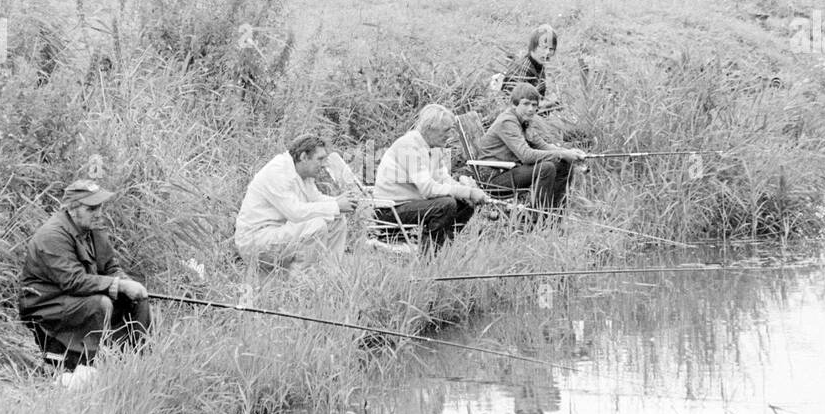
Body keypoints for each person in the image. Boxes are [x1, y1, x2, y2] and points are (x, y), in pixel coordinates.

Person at [19, 179, 151, 379]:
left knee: (138, 299)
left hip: (76, 297)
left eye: (99, 206)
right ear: (72, 209)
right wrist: (118, 285)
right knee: (101, 304)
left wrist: (128, 284)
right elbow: (73, 281)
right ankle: (88, 365)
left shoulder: (93, 230)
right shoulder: (52, 235)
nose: (98, 213)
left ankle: (142, 362)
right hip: (46, 305)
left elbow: (110, 267)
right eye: (91, 208)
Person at [373, 104, 488, 250]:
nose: (449, 135)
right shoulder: (409, 146)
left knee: (466, 203)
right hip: (390, 209)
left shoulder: (434, 147)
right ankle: (429, 253)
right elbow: (427, 189)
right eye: (446, 130)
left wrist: (466, 191)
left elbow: (443, 179)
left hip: (410, 203)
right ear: (430, 128)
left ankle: (444, 246)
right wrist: (468, 192)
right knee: (447, 204)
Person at [235, 134, 356, 270]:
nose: (323, 165)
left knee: (337, 218)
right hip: (256, 241)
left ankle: (330, 273)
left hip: (280, 233)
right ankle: (302, 282)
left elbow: (316, 199)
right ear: (304, 157)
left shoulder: (303, 172)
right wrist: (335, 205)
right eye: (320, 159)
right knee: (316, 225)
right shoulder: (278, 171)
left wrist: (341, 201)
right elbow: (295, 213)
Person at [477, 82, 585, 218]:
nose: (531, 109)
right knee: (546, 168)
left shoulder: (524, 121)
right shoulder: (507, 122)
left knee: (563, 164)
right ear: (514, 104)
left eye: (534, 105)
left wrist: (569, 153)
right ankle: (536, 218)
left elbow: (543, 145)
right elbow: (526, 156)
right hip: (493, 178)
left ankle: (555, 215)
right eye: (526, 104)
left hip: (510, 170)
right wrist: (561, 153)